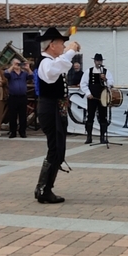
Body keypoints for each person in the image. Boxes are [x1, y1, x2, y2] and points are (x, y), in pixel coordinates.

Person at [34, 27, 80, 204]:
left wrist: (68, 52)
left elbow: (59, 66)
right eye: (61, 44)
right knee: (55, 148)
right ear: (52, 45)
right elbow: (52, 73)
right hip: (49, 108)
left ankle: (43, 187)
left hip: (56, 108)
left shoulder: (52, 60)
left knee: (58, 148)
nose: (64, 46)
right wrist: (70, 52)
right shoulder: (45, 62)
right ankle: (44, 189)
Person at [80, 53, 114, 144]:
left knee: (103, 116)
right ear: (94, 61)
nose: (99, 62)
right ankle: (89, 136)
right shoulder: (89, 71)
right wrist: (88, 93)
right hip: (92, 97)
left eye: (100, 61)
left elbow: (111, 83)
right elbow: (83, 83)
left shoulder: (106, 71)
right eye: (97, 61)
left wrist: (105, 79)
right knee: (90, 116)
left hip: (103, 97)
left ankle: (103, 137)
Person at [6, 58, 31, 138]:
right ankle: (13, 132)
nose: (17, 65)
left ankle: (22, 131)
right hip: (13, 97)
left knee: (23, 115)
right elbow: (5, 74)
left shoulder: (24, 73)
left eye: (18, 63)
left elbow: (32, 76)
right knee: (12, 115)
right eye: (16, 63)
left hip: (22, 97)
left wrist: (28, 68)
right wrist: (12, 67)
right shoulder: (11, 73)